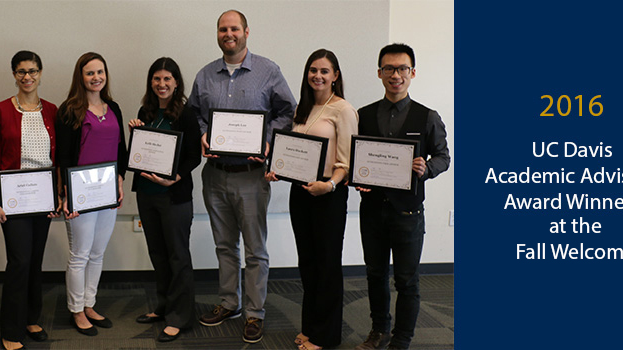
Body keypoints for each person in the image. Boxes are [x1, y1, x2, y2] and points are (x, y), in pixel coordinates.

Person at [189, 9, 297, 344]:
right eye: (223, 29)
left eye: (234, 28)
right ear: (218, 34)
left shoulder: (268, 71)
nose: (228, 34)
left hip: (252, 175)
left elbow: (288, 112)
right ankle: (228, 303)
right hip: (215, 175)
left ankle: (254, 313)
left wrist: (267, 140)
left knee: (255, 250)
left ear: (246, 32)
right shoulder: (206, 75)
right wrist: (203, 133)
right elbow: (193, 113)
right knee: (224, 245)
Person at [354, 43, 450, 350]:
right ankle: (378, 330)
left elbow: (444, 157)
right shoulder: (363, 115)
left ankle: (402, 339)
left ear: (412, 73)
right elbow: (357, 158)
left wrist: (427, 168)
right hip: (371, 211)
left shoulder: (427, 116)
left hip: (408, 213)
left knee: (407, 281)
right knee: (375, 274)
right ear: (379, 73)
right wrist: (358, 178)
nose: (396, 75)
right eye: (389, 69)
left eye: (402, 69)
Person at [265, 49, 357, 350]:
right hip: (301, 195)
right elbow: (293, 153)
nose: (317, 75)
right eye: (312, 70)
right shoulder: (301, 110)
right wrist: (279, 170)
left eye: (324, 71)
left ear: (335, 76)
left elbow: (347, 162)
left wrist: (329, 185)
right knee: (308, 264)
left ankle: (326, 336)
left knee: (327, 265)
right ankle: (311, 327)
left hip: (328, 195)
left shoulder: (342, 110)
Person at [0, 50, 59, 350]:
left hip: (43, 197)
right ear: (14, 75)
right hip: (12, 197)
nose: (27, 77)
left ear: (41, 73)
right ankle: (11, 329)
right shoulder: (0, 111)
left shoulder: (52, 110)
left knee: (35, 261)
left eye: (32, 71)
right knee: (19, 261)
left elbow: (58, 158)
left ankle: (32, 318)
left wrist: (58, 196)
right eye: (21, 72)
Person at [128, 57, 201, 342]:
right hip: (147, 195)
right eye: (157, 79)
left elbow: (194, 155)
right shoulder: (144, 112)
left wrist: (177, 177)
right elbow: (139, 153)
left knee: (178, 255)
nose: (162, 84)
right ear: (151, 82)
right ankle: (164, 305)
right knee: (158, 253)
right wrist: (135, 134)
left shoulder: (186, 113)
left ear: (176, 82)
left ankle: (180, 316)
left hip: (174, 196)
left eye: (167, 79)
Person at [55, 52, 127, 337]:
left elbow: (121, 149)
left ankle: (89, 304)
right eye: (89, 73)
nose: (96, 77)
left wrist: (120, 180)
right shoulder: (69, 110)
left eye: (100, 72)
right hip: (80, 194)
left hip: (108, 191)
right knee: (80, 254)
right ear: (80, 77)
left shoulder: (114, 108)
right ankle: (76, 309)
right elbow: (63, 156)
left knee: (98, 253)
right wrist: (65, 195)